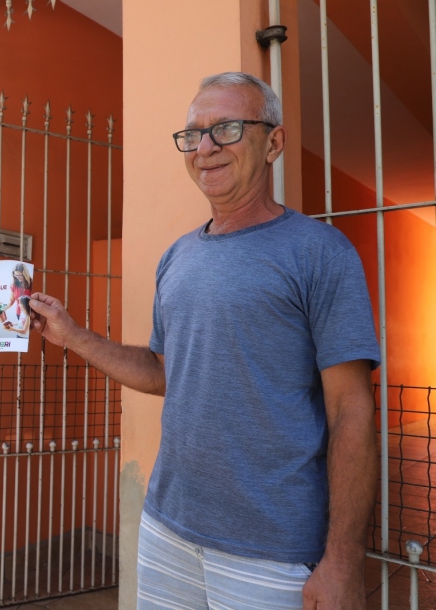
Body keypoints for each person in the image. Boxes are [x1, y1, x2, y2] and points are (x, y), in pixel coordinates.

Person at [28, 73, 380, 609]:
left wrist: (344, 559)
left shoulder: (320, 253)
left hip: (272, 553)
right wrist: (72, 336)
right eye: (193, 135)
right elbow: (165, 372)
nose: (205, 148)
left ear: (274, 143)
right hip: (167, 531)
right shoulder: (177, 257)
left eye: (227, 129)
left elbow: (351, 409)